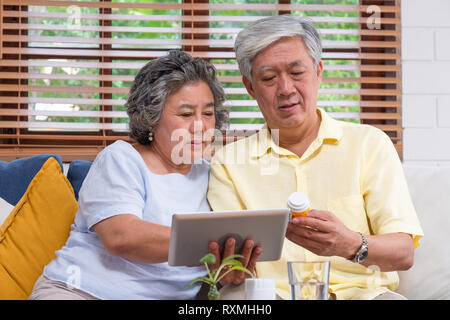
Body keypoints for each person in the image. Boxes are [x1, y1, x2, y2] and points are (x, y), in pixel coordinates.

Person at [207, 15, 424, 300]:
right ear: (250, 87)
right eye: (269, 78)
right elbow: (232, 267)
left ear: (318, 72)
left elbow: (403, 253)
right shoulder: (228, 163)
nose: (286, 89)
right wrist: (231, 272)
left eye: (297, 73)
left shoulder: (369, 144)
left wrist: (349, 244)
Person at [28, 51, 259, 300]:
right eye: (185, 114)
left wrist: (227, 268)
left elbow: (214, 270)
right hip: (82, 292)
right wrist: (211, 245)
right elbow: (122, 237)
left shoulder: (212, 175)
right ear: (151, 118)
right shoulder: (121, 159)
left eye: (207, 113)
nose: (200, 126)